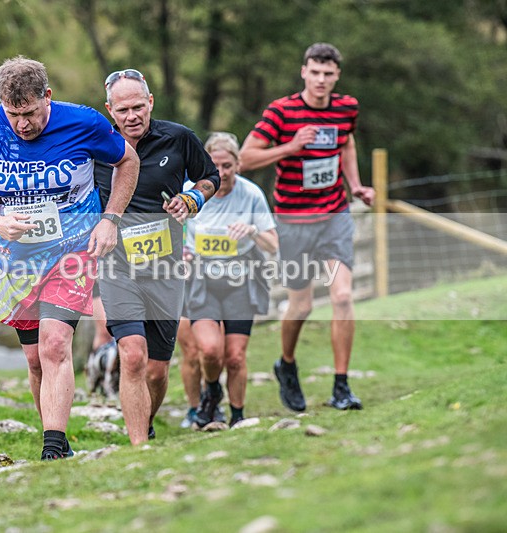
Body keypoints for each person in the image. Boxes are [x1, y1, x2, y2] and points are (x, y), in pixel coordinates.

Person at [0, 56, 139, 460]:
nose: (22, 124)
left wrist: (110, 219)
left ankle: (51, 447)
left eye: (31, 113)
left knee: (55, 343)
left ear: (47, 97)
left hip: (73, 249)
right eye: (13, 113)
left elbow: (128, 161)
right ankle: (61, 441)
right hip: (17, 258)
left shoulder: (83, 122)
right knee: (36, 360)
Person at [239, 43, 375, 411]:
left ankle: (341, 386)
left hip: (334, 215)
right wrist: (290, 146)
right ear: (304, 72)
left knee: (342, 296)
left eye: (328, 74)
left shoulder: (347, 107)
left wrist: (356, 184)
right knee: (300, 305)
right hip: (294, 220)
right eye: (315, 72)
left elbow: (346, 144)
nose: (321, 80)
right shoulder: (282, 112)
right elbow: (245, 158)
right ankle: (286, 364)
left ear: (337, 77)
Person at [94, 68, 220, 444]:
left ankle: (145, 422)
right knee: (132, 356)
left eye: (138, 107)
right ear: (109, 111)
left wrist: (191, 198)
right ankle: (139, 449)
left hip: (164, 268)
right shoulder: (96, 147)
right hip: (117, 267)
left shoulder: (179, 138)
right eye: (122, 110)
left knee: (156, 370)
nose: (132, 116)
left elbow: (210, 177)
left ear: (150, 103)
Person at [186, 132, 278, 428]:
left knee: (236, 356)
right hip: (202, 282)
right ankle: (212, 391)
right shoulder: (192, 192)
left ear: (238, 164)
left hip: (241, 280)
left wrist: (252, 230)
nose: (222, 173)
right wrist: (182, 254)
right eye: (216, 166)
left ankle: (238, 416)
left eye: (228, 166)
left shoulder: (251, 194)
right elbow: (172, 232)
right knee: (211, 351)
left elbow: (273, 245)